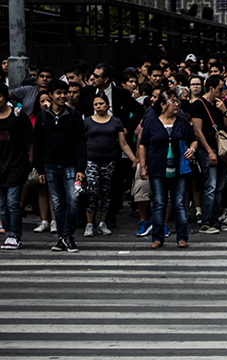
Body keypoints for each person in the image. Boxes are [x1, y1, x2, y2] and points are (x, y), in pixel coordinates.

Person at [138, 89, 198, 248]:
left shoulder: (182, 121)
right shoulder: (151, 122)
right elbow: (143, 145)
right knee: (159, 202)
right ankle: (157, 237)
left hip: (179, 168)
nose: (177, 104)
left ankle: (182, 237)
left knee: (179, 202)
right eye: (173, 102)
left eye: (177, 101)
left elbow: (193, 140)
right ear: (163, 105)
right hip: (157, 169)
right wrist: (142, 167)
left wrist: (191, 149)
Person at [34, 79, 87, 253]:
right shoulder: (42, 116)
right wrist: (40, 169)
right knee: (57, 203)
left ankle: (68, 235)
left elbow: (80, 143)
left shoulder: (74, 115)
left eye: (65, 93)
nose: (63, 96)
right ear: (50, 95)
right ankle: (63, 237)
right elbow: (38, 144)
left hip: (70, 165)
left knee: (73, 200)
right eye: (59, 93)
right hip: (50, 165)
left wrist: (81, 168)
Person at [82, 93, 137, 237]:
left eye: (101, 104)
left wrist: (134, 159)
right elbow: (81, 142)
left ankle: (103, 223)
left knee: (106, 192)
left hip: (109, 160)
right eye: (95, 104)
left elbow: (123, 143)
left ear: (107, 105)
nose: (98, 106)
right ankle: (89, 223)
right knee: (92, 191)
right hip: (91, 160)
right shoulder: (87, 122)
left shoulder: (116, 122)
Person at [192, 75, 227, 234]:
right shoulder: (198, 105)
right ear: (211, 88)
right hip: (209, 148)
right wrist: (209, 151)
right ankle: (206, 221)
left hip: (222, 148)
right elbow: (197, 131)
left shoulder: (219, 104)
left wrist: (224, 111)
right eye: (220, 89)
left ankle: (214, 219)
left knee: (220, 186)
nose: (222, 93)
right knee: (211, 185)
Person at [0, 83, 34, 250]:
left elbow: (31, 139)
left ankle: (15, 235)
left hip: (15, 164)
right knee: (2, 205)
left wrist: (30, 159)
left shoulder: (18, 115)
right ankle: (8, 234)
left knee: (13, 202)